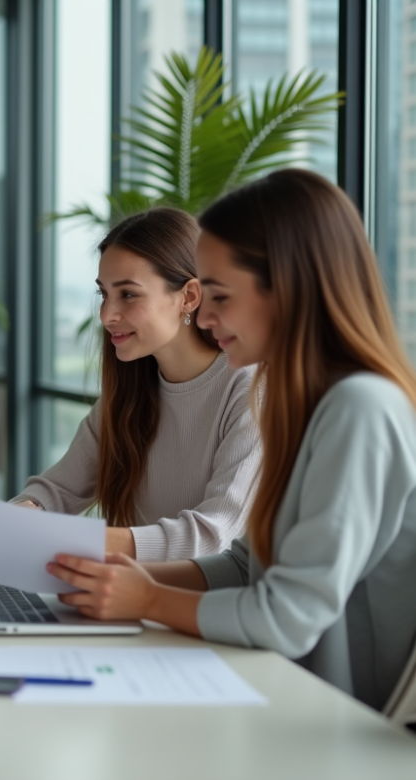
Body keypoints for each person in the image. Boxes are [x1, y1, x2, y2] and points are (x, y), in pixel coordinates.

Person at [48, 169, 416, 712]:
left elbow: (286, 617)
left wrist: (146, 598)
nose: (205, 315)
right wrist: (129, 580)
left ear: (286, 290)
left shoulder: (359, 407)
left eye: (219, 295)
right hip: (279, 689)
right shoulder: (305, 401)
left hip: (331, 716)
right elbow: (246, 566)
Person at [0, 207, 261, 561]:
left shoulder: (252, 388)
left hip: (212, 597)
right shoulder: (131, 389)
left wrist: (51, 534)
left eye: (128, 295)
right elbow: (59, 490)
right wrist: (8, 520)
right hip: (132, 589)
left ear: (189, 297)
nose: (106, 315)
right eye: (104, 294)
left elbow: (212, 536)